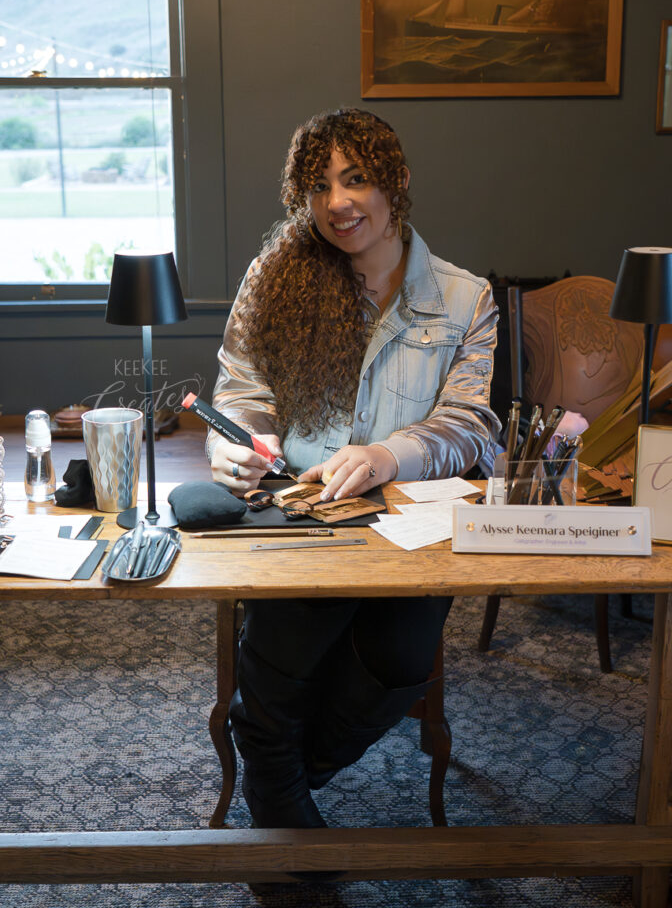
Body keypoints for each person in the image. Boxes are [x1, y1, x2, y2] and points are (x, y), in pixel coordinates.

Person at [209, 108, 500, 829]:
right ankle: (281, 804)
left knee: (400, 660)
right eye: (317, 186)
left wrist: (380, 456)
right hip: (300, 507)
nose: (336, 202)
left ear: (396, 182)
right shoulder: (272, 279)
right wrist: (242, 443)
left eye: (356, 179)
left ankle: (286, 774)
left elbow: (466, 424)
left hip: (410, 520)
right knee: (287, 645)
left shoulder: (465, 299)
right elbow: (242, 393)